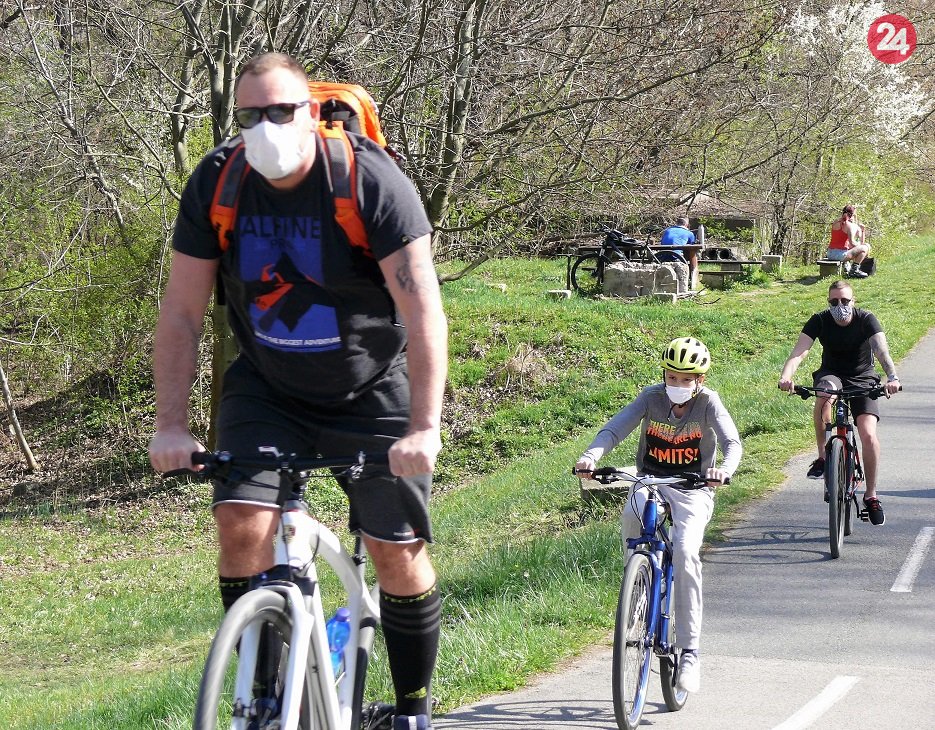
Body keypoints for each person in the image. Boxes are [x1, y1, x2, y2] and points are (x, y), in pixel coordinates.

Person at [148, 53, 447, 730]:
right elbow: (182, 313)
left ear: (310, 113)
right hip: (267, 385)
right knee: (240, 524)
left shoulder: (369, 181)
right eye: (249, 115)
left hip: (371, 387)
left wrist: (423, 427)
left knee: (396, 551)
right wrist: (170, 424)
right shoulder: (218, 182)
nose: (265, 127)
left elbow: (423, 308)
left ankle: (412, 711)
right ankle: (260, 695)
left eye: (281, 111)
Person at [575, 337, 742, 694]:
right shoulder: (651, 397)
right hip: (650, 481)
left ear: (700, 380)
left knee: (685, 552)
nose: (677, 384)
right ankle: (636, 582)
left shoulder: (709, 402)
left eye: (686, 379)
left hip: (693, 488)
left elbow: (732, 442)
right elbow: (615, 428)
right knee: (631, 513)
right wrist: (590, 456)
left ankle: (690, 653)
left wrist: (724, 470)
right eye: (672, 376)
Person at [778, 280, 900, 526]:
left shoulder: (866, 319)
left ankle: (871, 495)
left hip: (863, 378)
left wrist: (892, 378)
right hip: (831, 375)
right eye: (834, 302)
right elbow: (799, 352)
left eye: (845, 301)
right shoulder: (820, 320)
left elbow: (881, 352)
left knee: (868, 435)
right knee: (824, 395)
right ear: (828, 302)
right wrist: (786, 377)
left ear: (853, 301)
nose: (839, 306)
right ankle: (824, 457)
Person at [826, 205, 869, 279]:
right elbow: (853, 242)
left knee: (856, 248)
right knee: (865, 248)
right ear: (852, 215)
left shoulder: (836, 222)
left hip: (830, 253)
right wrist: (860, 245)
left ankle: (849, 267)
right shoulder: (849, 226)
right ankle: (854, 270)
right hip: (840, 255)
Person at [658, 217, 699, 289]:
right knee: (692, 252)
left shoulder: (667, 230)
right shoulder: (689, 233)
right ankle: (693, 278)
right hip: (676, 257)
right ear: (686, 225)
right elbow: (692, 245)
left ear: (677, 223)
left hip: (662, 256)